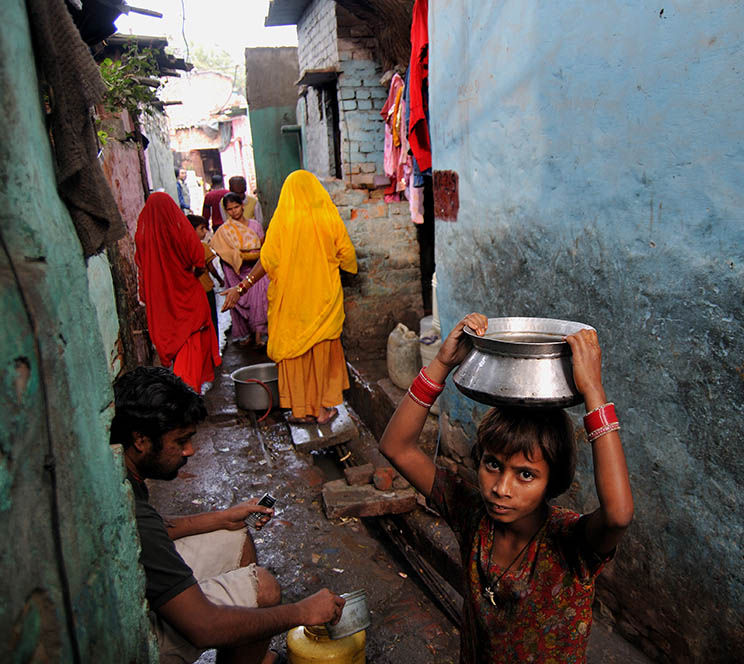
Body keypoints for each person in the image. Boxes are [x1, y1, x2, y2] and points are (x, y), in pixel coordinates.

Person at [378, 313, 634, 663]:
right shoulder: (472, 514)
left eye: (526, 475)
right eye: (493, 465)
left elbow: (618, 516)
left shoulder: (571, 544)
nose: (501, 488)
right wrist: (441, 362)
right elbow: (397, 447)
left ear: (552, 480)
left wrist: (593, 391)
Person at [111, 366, 345, 664]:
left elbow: (156, 529)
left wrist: (225, 517)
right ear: (141, 439)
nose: (190, 450)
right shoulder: (132, 508)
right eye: (180, 441)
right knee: (266, 588)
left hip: (139, 575)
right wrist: (303, 612)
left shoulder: (124, 473)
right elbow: (202, 627)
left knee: (236, 535)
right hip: (135, 632)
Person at [222, 170, 357, 424]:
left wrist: (242, 287)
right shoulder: (327, 217)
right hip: (322, 300)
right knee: (319, 353)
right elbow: (347, 256)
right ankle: (320, 412)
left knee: (295, 354)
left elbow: (268, 260)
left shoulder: (281, 222)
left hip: (291, 303)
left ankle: (298, 411)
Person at [135, 192, 221, 394]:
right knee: (191, 344)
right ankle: (187, 396)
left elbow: (142, 272)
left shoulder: (143, 237)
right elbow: (198, 258)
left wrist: (148, 296)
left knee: (176, 343)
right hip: (187, 297)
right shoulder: (179, 231)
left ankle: (185, 393)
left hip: (162, 302)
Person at [211, 193, 270, 348]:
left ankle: (260, 333)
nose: (234, 211)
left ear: (242, 206)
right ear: (226, 211)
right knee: (236, 299)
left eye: (236, 207)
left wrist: (250, 256)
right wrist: (237, 257)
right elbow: (221, 251)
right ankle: (245, 334)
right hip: (235, 271)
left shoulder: (255, 225)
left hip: (255, 268)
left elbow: (263, 248)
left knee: (260, 296)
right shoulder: (224, 231)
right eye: (229, 209)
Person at [187, 214, 223, 344]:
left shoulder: (183, 248)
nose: (205, 232)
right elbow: (210, 267)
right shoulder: (202, 247)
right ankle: (214, 346)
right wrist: (219, 280)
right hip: (206, 288)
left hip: (191, 292)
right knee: (211, 320)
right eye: (202, 229)